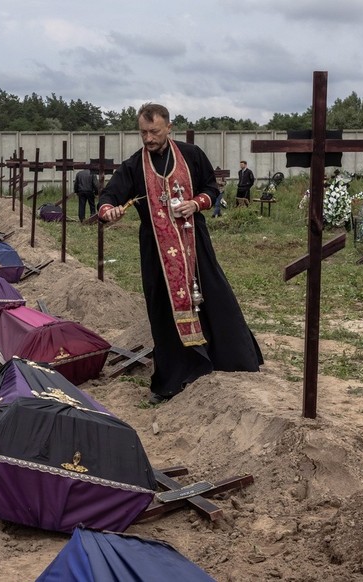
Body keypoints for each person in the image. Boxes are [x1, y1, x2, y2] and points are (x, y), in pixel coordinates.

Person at [98, 103, 262, 404]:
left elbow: (211, 189)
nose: (148, 139)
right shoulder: (135, 165)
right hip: (156, 249)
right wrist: (108, 210)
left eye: (154, 132)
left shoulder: (191, 155)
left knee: (213, 297)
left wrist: (196, 203)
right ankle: (173, 380)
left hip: (194, 241)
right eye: (143, 133)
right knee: (162, 311)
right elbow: (110, 195)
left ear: (168, 127)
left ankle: (229, 360)